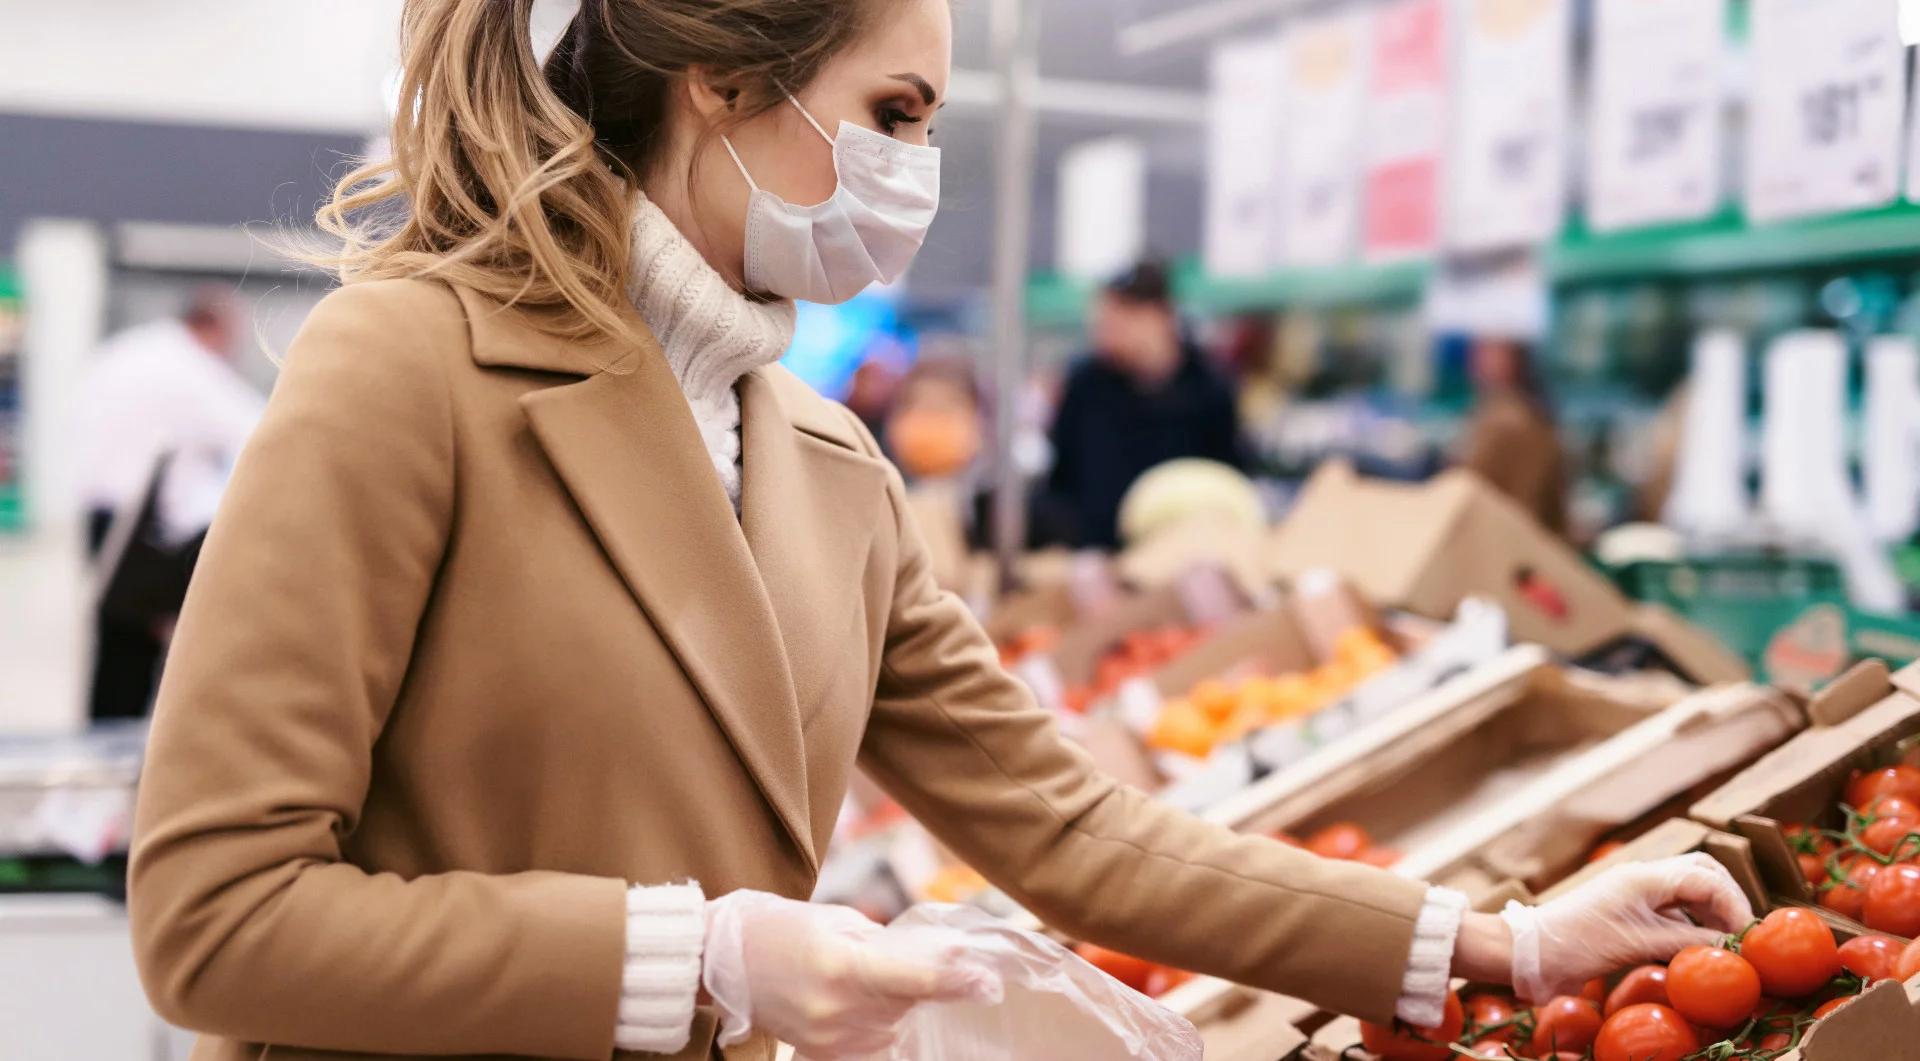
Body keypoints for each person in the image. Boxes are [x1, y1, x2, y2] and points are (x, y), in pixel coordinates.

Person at [128, 3, 1751, 1060]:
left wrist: (1501, 935)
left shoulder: (826, 463)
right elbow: (217, 916)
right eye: (893, 111)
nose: (915, 169)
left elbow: (1073, 830)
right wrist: (703, 958)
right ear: (722, 82)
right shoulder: (412, 362)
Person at [73, 286, 263, 719]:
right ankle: (127, 747)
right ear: (214, 327)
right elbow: (259, 430)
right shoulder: (188, 367)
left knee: (116, 645)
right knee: (144, 648)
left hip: (100, 514)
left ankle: (105, 737)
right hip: (144, 528)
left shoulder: (126, 352)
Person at [1045, 261, 1244, 548]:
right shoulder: (1085, 386)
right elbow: (1063, 476)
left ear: (1156, 316)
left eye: (1116, 321)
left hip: (1185, 549)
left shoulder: (1209, 387)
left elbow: (1228, 476)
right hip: (1097, 553)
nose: (1103, 332)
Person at [1458, 334, 1569, 535]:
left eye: (1488, 351)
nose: (1476, 359)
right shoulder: (1516, 412)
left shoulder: (1510, 421)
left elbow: (1471, 488)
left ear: (1513, 360)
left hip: (1511, 542)